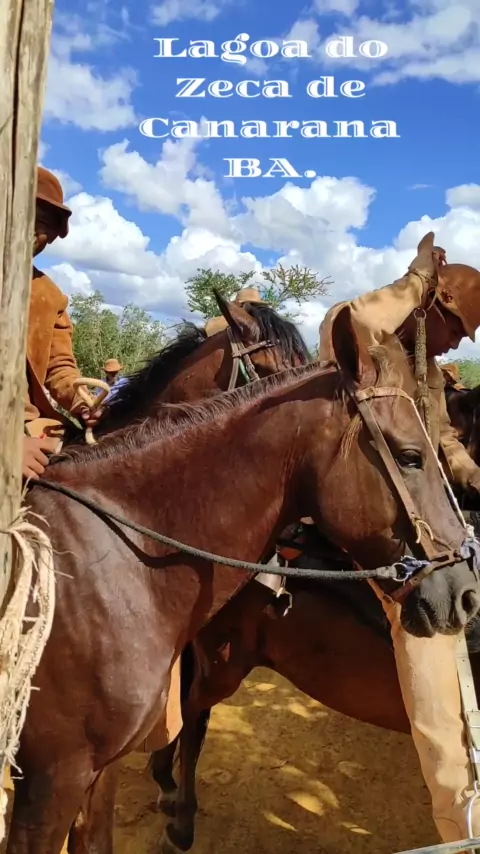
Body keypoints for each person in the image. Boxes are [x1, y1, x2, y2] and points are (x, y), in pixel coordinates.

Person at [319, 231, 480, 843]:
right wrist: (415, 280)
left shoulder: (428, 372)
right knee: (426, 623)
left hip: (418, 505)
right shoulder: (364, 340)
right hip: (364, 509)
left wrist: (472, 473)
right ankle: (459, 814)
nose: (460, 341)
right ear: (433, 305)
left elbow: (442, 442)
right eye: (457, 327)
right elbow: (356, 318)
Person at [23, 167, 101, 480]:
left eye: (42, 223)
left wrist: (84, 403)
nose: (31, 230)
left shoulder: (49, 295)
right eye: (20, 213)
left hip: (32, 428)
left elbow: (59, 368)